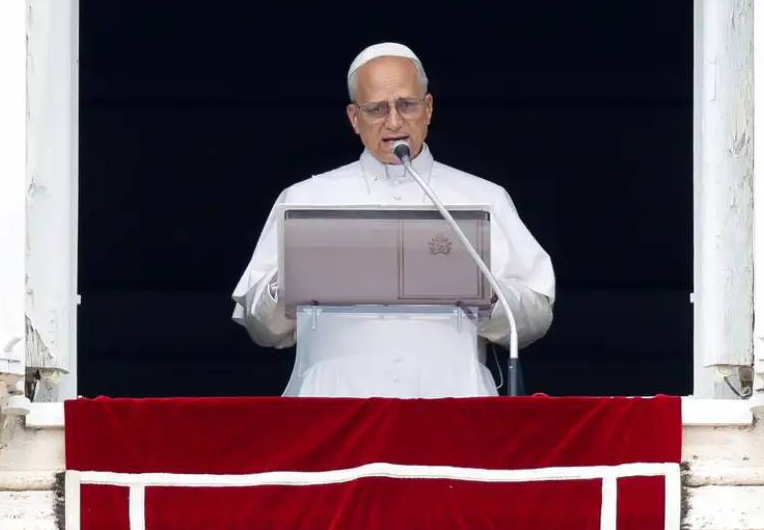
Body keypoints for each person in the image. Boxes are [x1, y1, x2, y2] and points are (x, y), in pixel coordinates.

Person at [231, 42, 555, 396]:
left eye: (407, 105)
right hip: (334, 402)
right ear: (355, 118)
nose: (395, 121)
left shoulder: (483, 197)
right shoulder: (305, 198)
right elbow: (261, 329)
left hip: (455, 403)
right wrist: (290, 284)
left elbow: (535, 317)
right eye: (377, 109)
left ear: (428, 108)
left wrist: (486, 295)